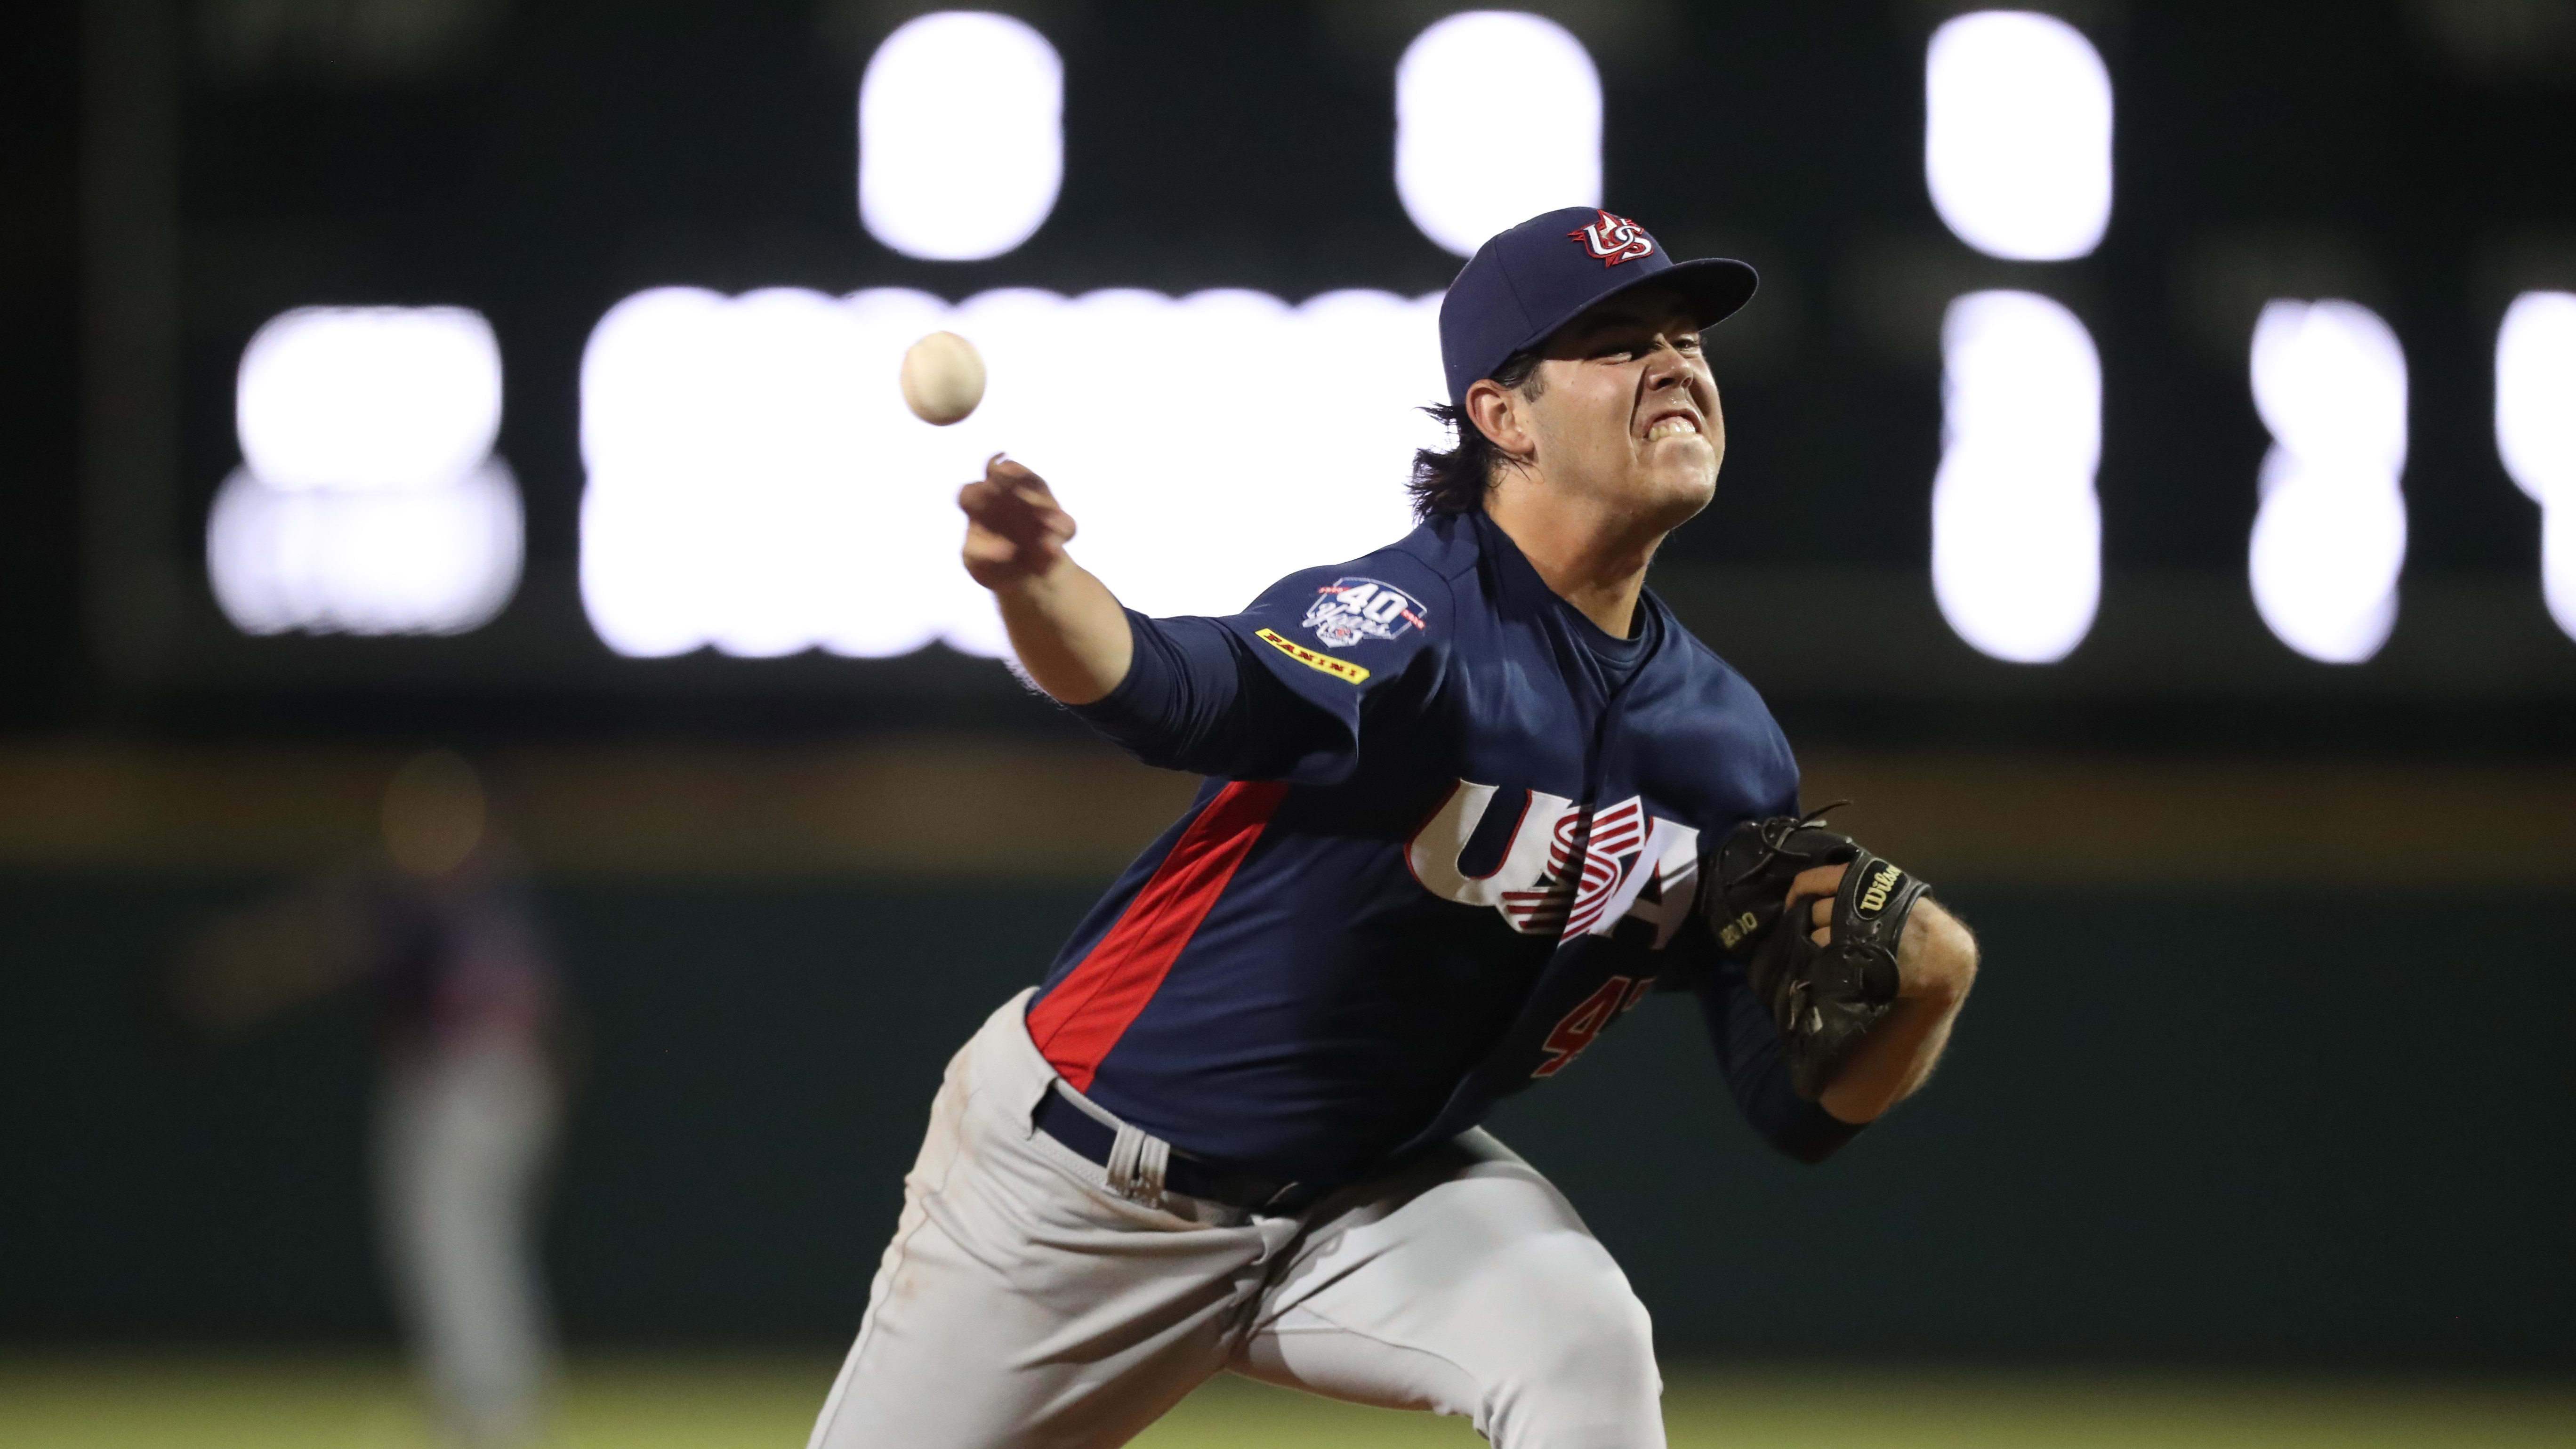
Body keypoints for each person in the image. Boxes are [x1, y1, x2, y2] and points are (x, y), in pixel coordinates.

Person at [808, 207, 1981, 1448]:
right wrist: (1037, 581)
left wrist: (1917, 991)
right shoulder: (1414, 617)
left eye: (1685, 336)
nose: (1674, 361)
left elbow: (1792, 1100)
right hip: (1081, 1192)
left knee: (1583, 1341)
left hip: (1375, 1197)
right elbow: (1179, 690)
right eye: (1617, 341)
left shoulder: (1726, 746)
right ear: (1503, 415)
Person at [172, 749, 564, 1449]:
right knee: (469, 1240)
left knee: (453, 1238)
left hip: (467, 1078)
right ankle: (491, 1392)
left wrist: (231, 973)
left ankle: (489, 1400)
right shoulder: (492, 887)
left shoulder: (426, 892)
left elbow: (321, 941)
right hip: (504, 1078)